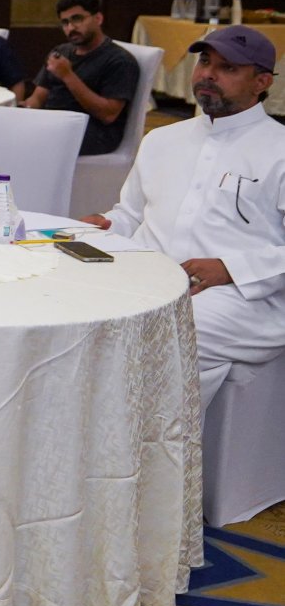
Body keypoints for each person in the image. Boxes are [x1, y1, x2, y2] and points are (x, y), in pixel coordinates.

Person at [84, 27, 284, 408]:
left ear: (261, 82)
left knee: (161, 329)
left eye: (227, 68)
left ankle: (156, 442)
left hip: (242, 299)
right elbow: (130, 214)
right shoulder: (162, 140)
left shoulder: (279, 150)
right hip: (149, 277)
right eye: (204, 61)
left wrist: (230, 268)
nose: (208, 74)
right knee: (76, 305)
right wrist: (107, 225)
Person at [21, 0, 139, 156]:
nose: (71, 28)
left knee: (28, 141)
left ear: (98, 18)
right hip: (54, 123)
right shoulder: (60, 52)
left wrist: (68, 76)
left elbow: (108, 114)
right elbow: (39, 97)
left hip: (94, 132)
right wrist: (24, 110)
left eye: (77, 19)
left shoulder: (119, 60)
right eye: (65, 23)